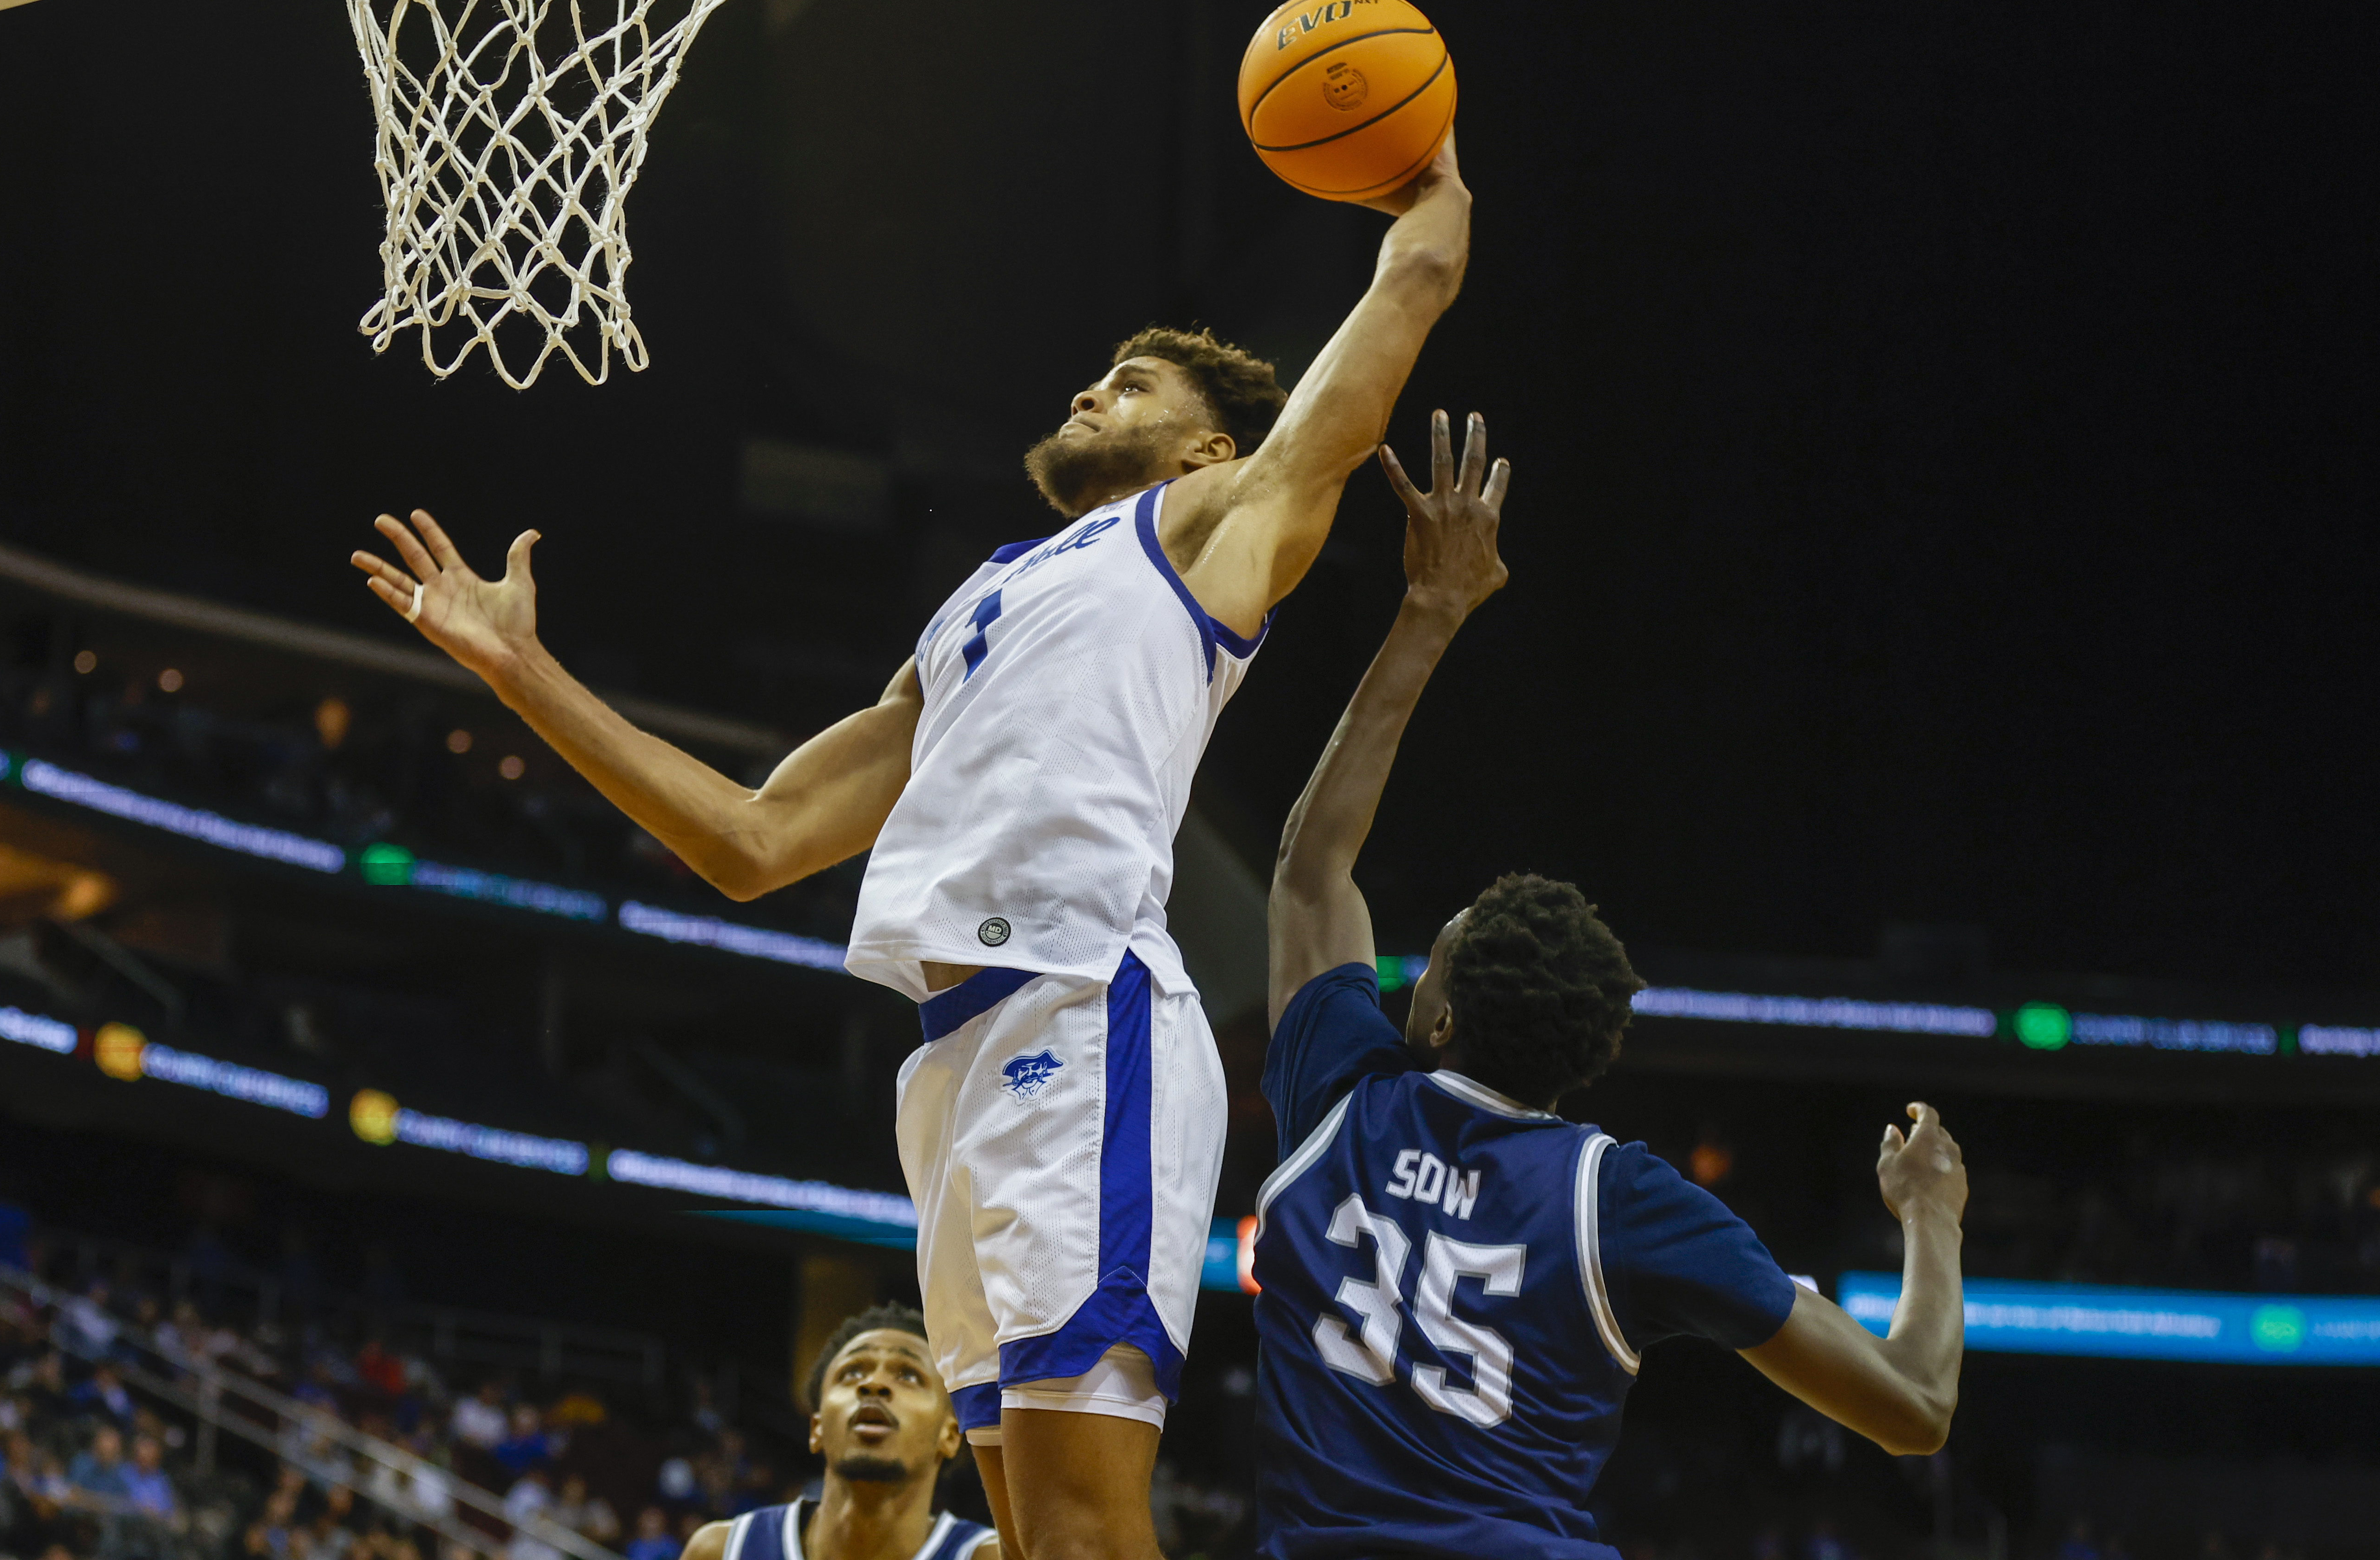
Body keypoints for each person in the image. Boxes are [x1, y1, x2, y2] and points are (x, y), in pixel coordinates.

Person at [357, 128, 1475, 1560]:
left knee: (1077, 1530)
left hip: (1086, 1017)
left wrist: (1425, 182)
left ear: (1209, 446)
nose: (1089, 387)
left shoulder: (1211, 528)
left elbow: (1403, 296)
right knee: (1022, 1538)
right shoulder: (977, 607)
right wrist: (525, 674)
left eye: (1130, 383)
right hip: (950, 1061)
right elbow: (753, 840)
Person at [1248, 410, 1971, 1560]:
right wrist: (1932, 1214)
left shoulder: (1345, 1089)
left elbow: (1311, 864)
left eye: (1423, 957)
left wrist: (1431, 609)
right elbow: (1914, 1405)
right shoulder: (1617, 1196)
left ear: (1434, 1020)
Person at [681, 1305, 993, 1560]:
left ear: (950, 1435)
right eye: (852, 1373)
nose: (874, 1385)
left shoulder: (989, 1557)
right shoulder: (722, 1552)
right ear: (816, 1428)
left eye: (909, 1376)